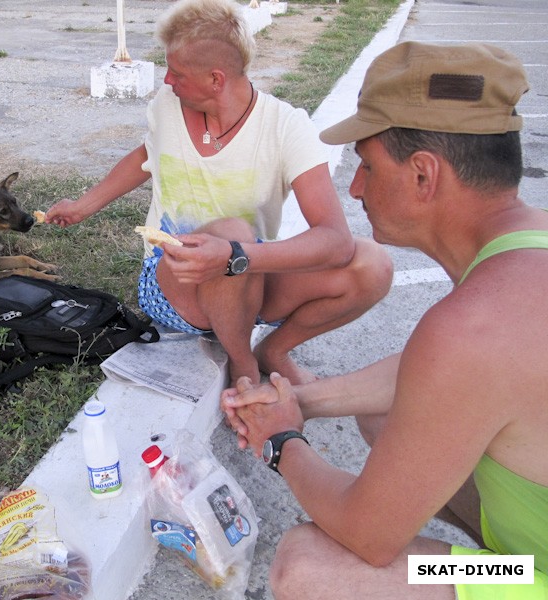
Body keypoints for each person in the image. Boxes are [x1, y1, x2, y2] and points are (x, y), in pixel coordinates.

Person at [221, 41, 548, 599]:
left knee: (307, 567)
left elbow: (367, 535)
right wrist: (306, 399)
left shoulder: (474, 328)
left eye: (368, 166)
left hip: (529, 577)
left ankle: (492, 574)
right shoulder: (527, 249)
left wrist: (283, 440)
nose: (355, 188)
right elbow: (449, 378)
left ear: (424, 175)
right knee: (386, 419)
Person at [46, 0, 392, 386]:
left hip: (246, 277)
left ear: (216, 79)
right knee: (234, 234)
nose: (166, 81)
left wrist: (236, 257)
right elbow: (146, 153)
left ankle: (272, 351)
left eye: (176, 72)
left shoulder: (285, 127)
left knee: (371, 266)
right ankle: (243, 366)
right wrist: (82, 206)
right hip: (174, 284)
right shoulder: (167, 106)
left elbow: (335, 241)